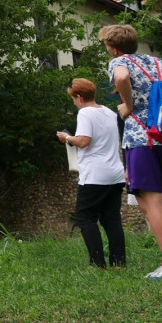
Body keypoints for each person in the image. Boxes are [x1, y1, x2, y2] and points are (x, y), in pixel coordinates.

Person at [99, 24, 162, 281]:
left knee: (152, 204)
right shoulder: (158, 63)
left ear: (113, 48)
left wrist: (128, 105)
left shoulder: (119, 62)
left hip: (142, 142)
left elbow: (121, 78)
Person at [56, 78, 126, 268]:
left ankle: (98, 263)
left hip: (95, 175)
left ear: (79, 97)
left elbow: (84, 141)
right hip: (115, 173)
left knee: (84, 217)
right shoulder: (109, 112)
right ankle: (118, 262)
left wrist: (67, 137)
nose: (74, 102)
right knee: (111, 218)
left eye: (73, 98)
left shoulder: (85, 113)